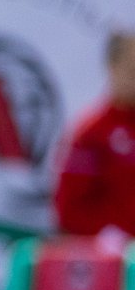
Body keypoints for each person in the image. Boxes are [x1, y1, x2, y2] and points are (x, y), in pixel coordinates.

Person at [54, 31, 135, 250]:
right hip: (115, 258)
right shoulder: (92, 132)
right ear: (112, 68)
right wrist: (112, 235)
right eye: (131, 69)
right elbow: (69, 210)